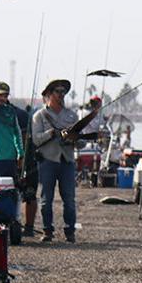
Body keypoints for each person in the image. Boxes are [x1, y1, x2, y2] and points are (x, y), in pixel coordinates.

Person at [31, 78, 97, 242]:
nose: (61, 95)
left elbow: (81, 143)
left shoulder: (72, 115)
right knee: (46, 199)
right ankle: (47, 231)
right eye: (57, 92)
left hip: (67, 161)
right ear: (49, 94)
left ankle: (70, 232)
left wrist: (74, 138)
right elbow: (36, 140)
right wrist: (51, 133)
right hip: (47, 161)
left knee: (69, 199)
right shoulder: (39, 116)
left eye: (63, 92)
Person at [11, 99, 40, 237]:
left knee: (29, 194)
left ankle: (28, 227)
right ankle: (24, 226)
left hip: (27, 161)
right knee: (27, 194)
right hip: (17, 159)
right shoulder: (21, 114)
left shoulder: (16, 115)